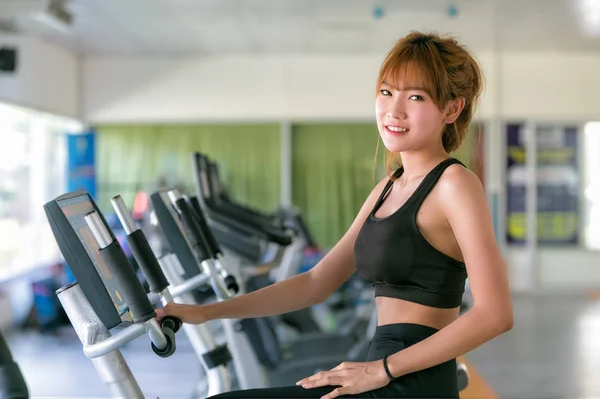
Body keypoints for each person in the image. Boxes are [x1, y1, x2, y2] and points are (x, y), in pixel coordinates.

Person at [156, 30, 513, 398]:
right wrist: (206, 312)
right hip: (380, 373)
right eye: (387, 92)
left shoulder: (455, 184)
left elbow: (495, 313)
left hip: (409, 384)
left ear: (452, 109)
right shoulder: (388, 188)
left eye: (416, 97)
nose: (394, 110)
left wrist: (383, 369)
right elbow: (316, 282)